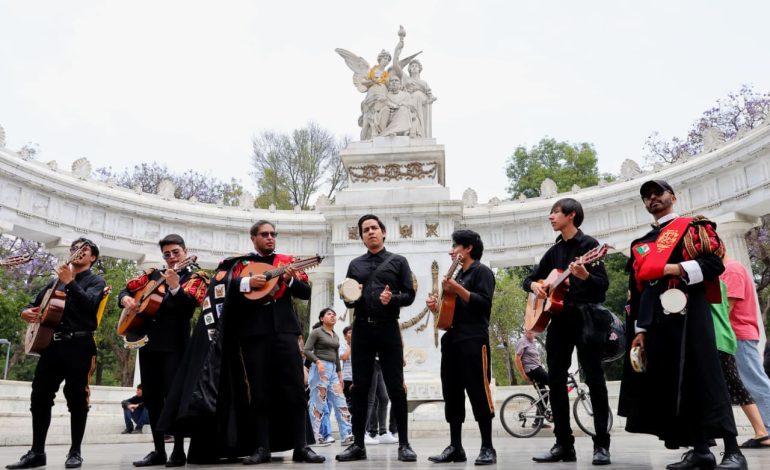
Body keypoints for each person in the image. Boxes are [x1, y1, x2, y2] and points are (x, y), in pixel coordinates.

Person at [157, 220, 323, 465]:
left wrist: (288, 280)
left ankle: (301, 447)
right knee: (259, 391)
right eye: (264, 234)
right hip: (253, 335)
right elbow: (220, 286)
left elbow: (305, 292)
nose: (270, 237)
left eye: (272, 234)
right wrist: (246, 283)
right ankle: (263, 447)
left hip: (285, 332)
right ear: (253, 238)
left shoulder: (288, 261)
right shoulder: (239, 264)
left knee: (295, 390)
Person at [618, 180, 746, 470]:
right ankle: (700, 450)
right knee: (674, 386)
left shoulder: (693, 228)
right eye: (647, 196)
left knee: (707, 378)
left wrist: (673, 268)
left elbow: (715, 266)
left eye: (658, 193)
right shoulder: (641, 244)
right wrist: (640, 331)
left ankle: (733, 451)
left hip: (692, 313)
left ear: (672, 197)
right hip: (658, 322)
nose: (652, 199)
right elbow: (638, 290)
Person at [522, 198, 611, 466]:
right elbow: (530, 278)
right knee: (556, 382)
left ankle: (601, 445)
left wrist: (584, 276)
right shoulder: (554, 252)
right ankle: (563, 444)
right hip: (558, 322)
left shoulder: (590, 247)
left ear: (571, 215)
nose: (551, 217)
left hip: (585, 319)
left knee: (595, 380)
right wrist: (535, 287)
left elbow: (602, 288)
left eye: (555, 213)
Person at [7, 238, 105, 470]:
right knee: (39, 397)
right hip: (51, 346)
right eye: (74, 248)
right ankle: (37, 452)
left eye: (84, 249)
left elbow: (90, 307)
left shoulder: (96, 281)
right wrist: (25, 312)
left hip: (80, 346)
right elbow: (33, 304)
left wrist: (70, 283)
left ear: (93, 258)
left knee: (77, 400)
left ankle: (75, 452)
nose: (77, 252)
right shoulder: (54, 283)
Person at [118, 234, 208, 467]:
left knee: (174, 397)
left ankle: (178, 450)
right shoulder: (151, 274)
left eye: (175, 252)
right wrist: (126, 300)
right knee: (152, 397)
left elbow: (190, 306)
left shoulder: (197, 276)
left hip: (175, 345)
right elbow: (125, 290)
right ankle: (158, 450)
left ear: (185, 251)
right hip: (147, 343)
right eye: (167, 254)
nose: (171, 257)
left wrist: (175, 286)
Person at [336, 214, 416, 462]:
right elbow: (349, 298)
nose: (370, 232)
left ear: (383, 232)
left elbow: (410, 294)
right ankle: (358, 445)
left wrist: (392, 299)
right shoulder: (355, 265)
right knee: (359, 387)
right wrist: (349, 296)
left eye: (374, 228)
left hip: (388, 328)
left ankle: (404, 444)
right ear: (361, 237)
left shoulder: (398, 261)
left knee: (396, 387)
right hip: (361, 329)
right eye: (365, 230)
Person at [426, 229, 497, 465]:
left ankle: (487, 447)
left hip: (474, 340)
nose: (451, 250)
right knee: (452, 394)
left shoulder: (482, 272)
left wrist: (457, 289)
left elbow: (483, 304)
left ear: (468, 248)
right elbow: (450, 313)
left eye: (455, 246)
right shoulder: (457, 275)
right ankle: (456, 447)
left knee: (478, 391)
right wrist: (436, 307)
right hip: (453, 341)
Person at [710, 279, 770, 448]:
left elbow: (725, 309)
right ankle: (763, 432)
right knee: (742, 384)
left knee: (751, 383)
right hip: (730, 335)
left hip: (733, 335)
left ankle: (765, 432)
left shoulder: (731, 271)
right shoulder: (723, 274)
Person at [304, 308, 352, 446]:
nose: (333, 316)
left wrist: (339, 373)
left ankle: (346, 435)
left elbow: (337, 356)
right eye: (329, 314)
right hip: (320, 368)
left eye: (334, 314)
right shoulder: (316, 332)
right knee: (317, 402)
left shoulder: (335, 335)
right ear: (321, 318)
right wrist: (317, 361)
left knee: (340, 401)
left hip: (333, 371)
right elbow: (306, 350)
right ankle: (313, 436)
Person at [515, 330, 549, 425]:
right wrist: (523, 375)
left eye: (533, 332)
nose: (531, 334)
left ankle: (537, 422)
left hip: (537, 368)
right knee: (555, 382)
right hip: (533, 370)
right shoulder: (522, 341)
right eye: (529, 332)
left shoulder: (532, 341)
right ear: (525, 332)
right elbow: (517, 359)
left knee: (544, 394)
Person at [340, 326, 353, 408]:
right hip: (347, 378)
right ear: (345, 336)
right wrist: (351, 345)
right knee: (347, 403)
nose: (352, 334)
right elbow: (344, 357)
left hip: (357, 378)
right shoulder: (343, 346)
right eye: (350, 333)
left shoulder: (359, 345)